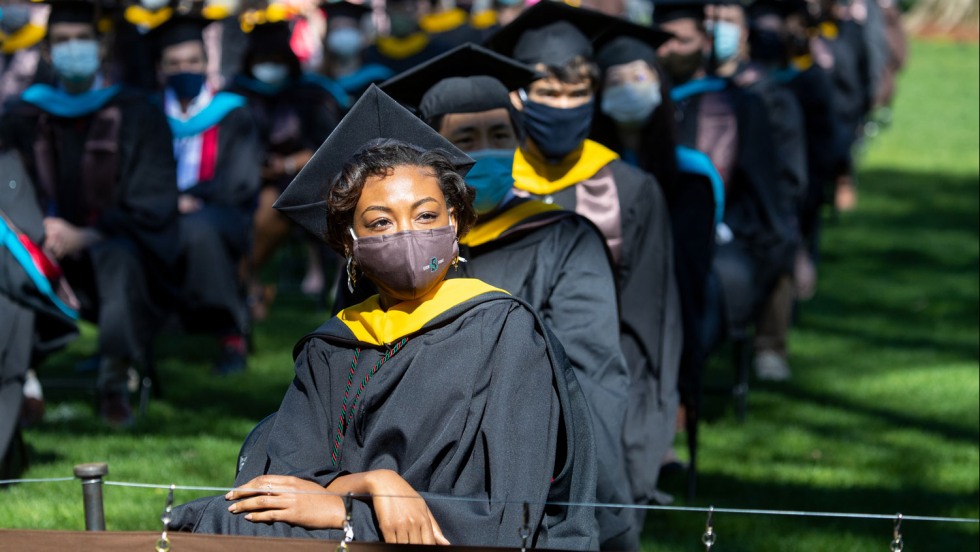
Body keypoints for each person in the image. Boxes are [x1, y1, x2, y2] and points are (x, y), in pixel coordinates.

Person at [169, 86, 598, 549]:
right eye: (380, 222)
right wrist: (373, 484)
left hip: (455, 540)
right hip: (350, 534)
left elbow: (505, 518)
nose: (408, 234)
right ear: (350, 243)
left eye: (426, 215)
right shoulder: (334, 346)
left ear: (454, 224)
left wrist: (347, 512)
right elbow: (291, 483)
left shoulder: (504, 331)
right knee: (215, 519)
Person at [378, 42, 636, 550]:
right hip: (410, 481)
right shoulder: (398, 254)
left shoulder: (563, 238)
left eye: (499, 134)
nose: (484, 149)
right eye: (465, 136)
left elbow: (591, 376)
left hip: (530, 477)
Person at [487, 0, 684, 519]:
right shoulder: (486, 184)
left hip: (597, 397)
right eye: (548, 93)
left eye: (578, 94)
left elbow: (650, 328)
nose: (563, 106)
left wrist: (636, 452)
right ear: (517, 95)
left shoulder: (628, 189)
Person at [0, 0, 179, 425]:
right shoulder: (21, 116)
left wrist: (87, 235)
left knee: (118, 259)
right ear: (46, 54)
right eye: (62, 41)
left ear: (101, 48)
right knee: (8, 260)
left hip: (114, 250)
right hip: (40, 249)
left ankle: (116, 379)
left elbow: (154, 201)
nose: (72, 48)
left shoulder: (137, 112)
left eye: (81, 39)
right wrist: (34, 231)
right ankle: (21, 380)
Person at [654, 0, 796, 365]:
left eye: (681, 40)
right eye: (662, 40)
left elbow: (763, 195)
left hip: (720, 237)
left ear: (704, 40)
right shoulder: (641, 105)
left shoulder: (741, 106)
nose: (670, 50)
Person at [154, 15, 261, 374]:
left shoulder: (232, 112)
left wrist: (192, 199)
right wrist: (169, 200)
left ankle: (230, 333)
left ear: (205, 64)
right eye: (174, 64)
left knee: (199, 229)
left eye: (192, 62)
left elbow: (240, 180)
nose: (184, 70)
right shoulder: (147, 114)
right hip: (157, 208)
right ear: (160, 69)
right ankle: (122, 345)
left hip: (220, 211)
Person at [228, 20, 342, 319]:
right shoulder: (236, 95)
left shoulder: (310, 94)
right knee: (253, 206)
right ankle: (246, 285)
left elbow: (329, 145)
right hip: (247, 178)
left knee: (271, 206)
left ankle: (239, 283)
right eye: (264, 61)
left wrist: (288, 164)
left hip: (303, 178)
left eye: (277, 61)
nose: (270, 68)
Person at [321, 0, 393, 102]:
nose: (343, 34)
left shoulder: (379, 80)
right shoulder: (316, 83)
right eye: (336, 27)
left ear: (362, 34)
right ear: (327, 35)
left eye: (349, 26)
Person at [361, 0, 450, 74]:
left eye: (405, 5)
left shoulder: (438, 52)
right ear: (387, 9)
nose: (399, 11)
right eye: (394, 5)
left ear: (416, 8)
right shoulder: (372, 54)